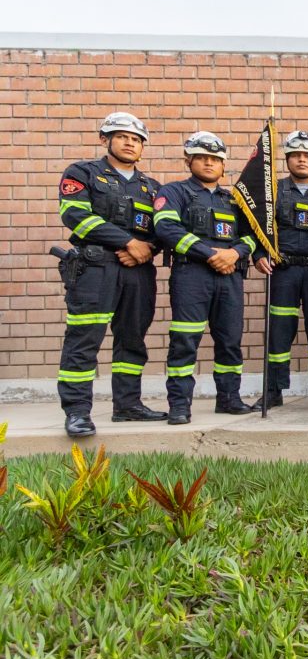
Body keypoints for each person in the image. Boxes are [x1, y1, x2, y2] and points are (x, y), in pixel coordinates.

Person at [55, 112, 167, 436]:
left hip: (138, 272)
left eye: (136, 139)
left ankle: (128, 405)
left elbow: (164, 229)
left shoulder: (153, 188)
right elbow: (75, 215)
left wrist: (146, 250)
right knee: (84, 338)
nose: (130, 143)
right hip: (95, 268)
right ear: (105, 139)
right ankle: (77, 412)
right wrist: (128, 242)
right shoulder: (82, 173)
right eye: (122, 137)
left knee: (133, 339)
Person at [153, 132, 258, 425]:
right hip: (192, 274)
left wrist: (235, 253)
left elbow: (253, 235)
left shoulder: (235, 200)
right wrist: (210, 254)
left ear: (223, 166)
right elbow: (166, 228)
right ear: (188, 160)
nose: (209, 163)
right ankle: (179, 404)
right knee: (185, 339)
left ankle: (229, 399)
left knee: (230, 340)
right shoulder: (174, 192)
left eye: (215, 159)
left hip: (230, 277)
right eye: (202, 158)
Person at [253, 131, 308, 412]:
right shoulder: (273, 191)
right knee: (279, 333)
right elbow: (255, 226)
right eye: (296, 155)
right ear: (287, 159)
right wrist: (258, 255)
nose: (302, 160)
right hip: (284, 271)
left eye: (307, 155)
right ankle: (273, 391)